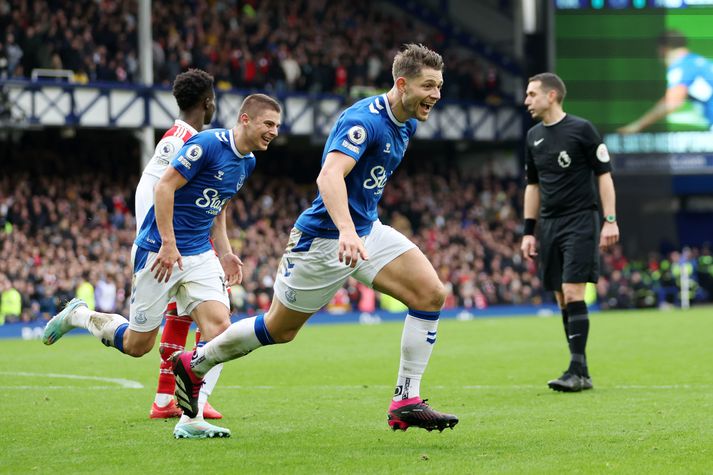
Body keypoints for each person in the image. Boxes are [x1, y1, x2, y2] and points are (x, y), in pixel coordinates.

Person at [170, 43, 459, 433]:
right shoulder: (364, 122)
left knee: (430, 294)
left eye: (439, 86)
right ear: (402, 84)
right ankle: (196, 363)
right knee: (279, 329)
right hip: (324, 240)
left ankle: (405, 399)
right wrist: (345, 230)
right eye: (429, 86)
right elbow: (328, 176)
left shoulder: (405, 122)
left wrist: (357, 229)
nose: (436, 95)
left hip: (365, 230)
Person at [42, 92, 283, 438]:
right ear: (245, 119)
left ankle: (192, 417)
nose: (274, 131)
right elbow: (164, 187)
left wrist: (226, 251)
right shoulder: (207, 144)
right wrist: (168, 243)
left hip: (199, 254)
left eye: (277, 125)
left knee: (220, 332)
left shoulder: (247, 163)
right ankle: (79, 315)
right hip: (159, 252)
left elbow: (220, 206)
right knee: (138, 346)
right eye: (268, 123)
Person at [521, 72, 620, 392]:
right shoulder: (533, 136)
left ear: (552, 96)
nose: (526, 101)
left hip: (580, 220)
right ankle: (581, 370)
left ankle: (576, 369)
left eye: (532, 94)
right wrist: (529, 231)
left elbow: (604, 175)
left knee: (574, 291)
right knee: (562, 297)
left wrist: (610, 219)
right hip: (549, 225)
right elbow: (532, 186)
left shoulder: (582, 129)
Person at [134, 69, 223, 420]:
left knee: (185, 313)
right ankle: (193, 397)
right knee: (207, 315)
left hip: (174, 238)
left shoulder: (185, 137)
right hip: (167, 242)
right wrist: (163, 241)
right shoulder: (180, 140)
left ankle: (164, 398)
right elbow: (154, 190)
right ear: (208, 102)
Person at [618, 30, 713, 134]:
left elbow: (672, 102)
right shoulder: (698, 62)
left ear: (663, 49)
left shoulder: (681, 66)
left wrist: (637, 126)